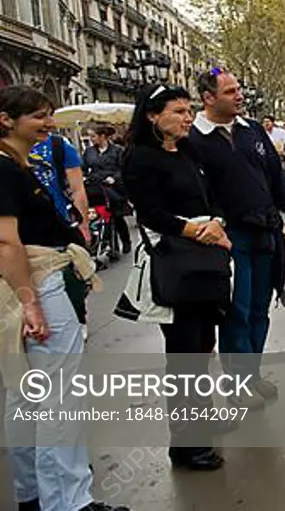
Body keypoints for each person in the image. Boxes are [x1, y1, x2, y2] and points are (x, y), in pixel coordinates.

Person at [0, 86, 128, 511]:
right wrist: (30, 302)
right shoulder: (4, 170)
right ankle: (68, 502)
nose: (49, 124)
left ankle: (33, 495)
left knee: (24, 393)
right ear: (6, 120)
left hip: (26, 286)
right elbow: (6, 242)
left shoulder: (14, 166)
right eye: (39, 116)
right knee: (57, 398)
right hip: (39, 283)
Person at [122, 84, 231, 472]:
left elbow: (212, 194)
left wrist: (217, 221)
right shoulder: (140, 159)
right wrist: (197, 231)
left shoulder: (188, 151)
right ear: (153, 116)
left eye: (188, 111)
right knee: (184, 355)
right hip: (176, 264)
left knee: (202, 349)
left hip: (206, 261)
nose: (188, 118)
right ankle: (188, 445)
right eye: (179, 111)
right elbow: (150, 213)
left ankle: (196, 428)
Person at [189, 68, 285, 410]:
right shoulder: (194, 138)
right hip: (229, 236)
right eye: (229, 91)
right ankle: (237, 384)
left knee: (259, 308)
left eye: (239, 90)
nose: (239, 96)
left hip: (265, 230)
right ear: (209, 98)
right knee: (235, 311)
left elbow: (274, 174)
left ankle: (251, 374)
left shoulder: (252, 130)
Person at [30, 132, 89, 245]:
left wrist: (83, 226)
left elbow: (77, 189)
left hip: (58, 223)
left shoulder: (59, 146)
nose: (49, 122)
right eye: (39, 116)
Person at [82, 125, 132, 255]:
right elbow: (83, 168)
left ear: (102, 136)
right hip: (96, 186)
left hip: (113, 187)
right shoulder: (89, 152)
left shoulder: (118, 151)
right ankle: (106, 242)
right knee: (99, 215)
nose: (91, 139)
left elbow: (124, 169)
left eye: (93, 136)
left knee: (117, 216)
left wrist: (114, 178)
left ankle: (126, 241)